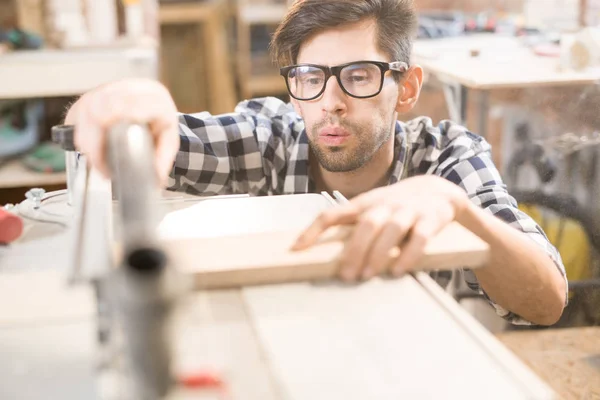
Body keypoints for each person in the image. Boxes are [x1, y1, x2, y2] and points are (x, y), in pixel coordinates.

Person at [65, 0, 566, 325]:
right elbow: (127, 134)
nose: (330, 102)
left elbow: (546, 301)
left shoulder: (447, 156)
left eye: (359, 75)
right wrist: (123, 106)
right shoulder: (270, 140)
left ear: (406, 87)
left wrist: (455, 206)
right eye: (309, 77)